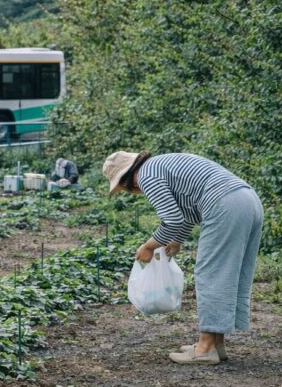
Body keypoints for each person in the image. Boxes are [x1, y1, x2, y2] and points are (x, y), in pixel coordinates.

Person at [103, 151, 263, 365]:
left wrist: (148, 247)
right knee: (226, 273)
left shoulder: (146, 175)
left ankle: (204, 348)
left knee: (211, 273)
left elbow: (172, 220)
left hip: (224, 204)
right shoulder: (160, 165)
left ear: (127, 178)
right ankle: (216, 344)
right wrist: (176, 240)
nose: (131, 192)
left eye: (123, 188)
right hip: (247, 200)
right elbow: (185, 211)